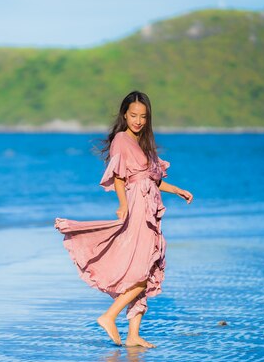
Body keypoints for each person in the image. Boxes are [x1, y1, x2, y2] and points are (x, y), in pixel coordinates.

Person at [54, 91, 193, 348]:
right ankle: (109, 316)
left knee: (149, 267)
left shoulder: (143, 143)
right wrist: (123, 205)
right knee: (141, 269)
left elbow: (153, 179)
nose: (138, 120)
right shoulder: (121, 139)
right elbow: (119, 177)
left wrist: (178, 190)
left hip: (150, 207)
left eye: (143, 116)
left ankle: (133, 335)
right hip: (137, 206)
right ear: (124, 115)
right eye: (133, 115)